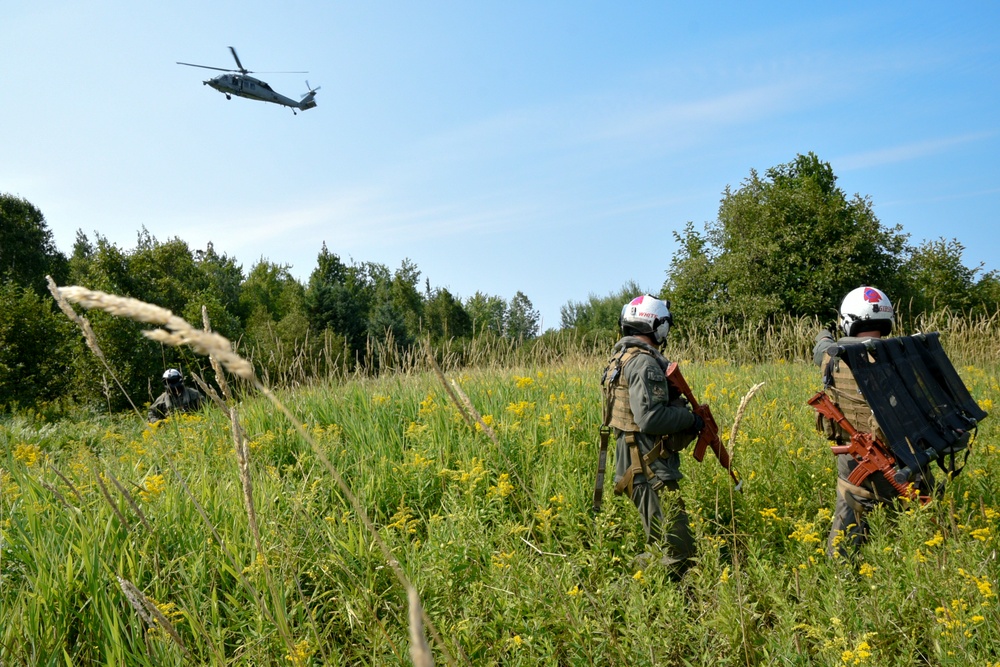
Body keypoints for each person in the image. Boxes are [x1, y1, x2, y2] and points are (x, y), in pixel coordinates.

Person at [814, 286, 937, 557]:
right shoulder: (909, 355)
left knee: (845, 533)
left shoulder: (832, 356)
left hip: (856, 466)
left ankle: (841, 574)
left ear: (849, 320)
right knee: (925, 537)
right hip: (911, 462)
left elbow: (821, 345)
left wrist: (824, 332)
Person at [601, 295, 704, 578]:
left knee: (661, 538)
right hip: (648, 466)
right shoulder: (644, 363)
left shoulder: (621, 358)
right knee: (677, 548)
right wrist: (691, 419)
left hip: (635, 460)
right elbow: (650, 418)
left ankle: (645, 587)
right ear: (658, 328)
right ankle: (639, 595)